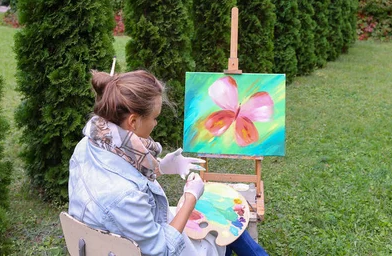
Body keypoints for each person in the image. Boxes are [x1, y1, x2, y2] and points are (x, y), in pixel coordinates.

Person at [68, 70, 269, 256]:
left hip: (118, 235)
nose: (155, 124)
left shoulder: (88, 144)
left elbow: (121, 170)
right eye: (155, 118)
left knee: (218, 218)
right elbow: (164, 250)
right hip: (147, 245)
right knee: (224, 222)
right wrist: (190, 197)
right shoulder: (124, 196)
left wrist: (160, 167)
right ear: (133, 121)